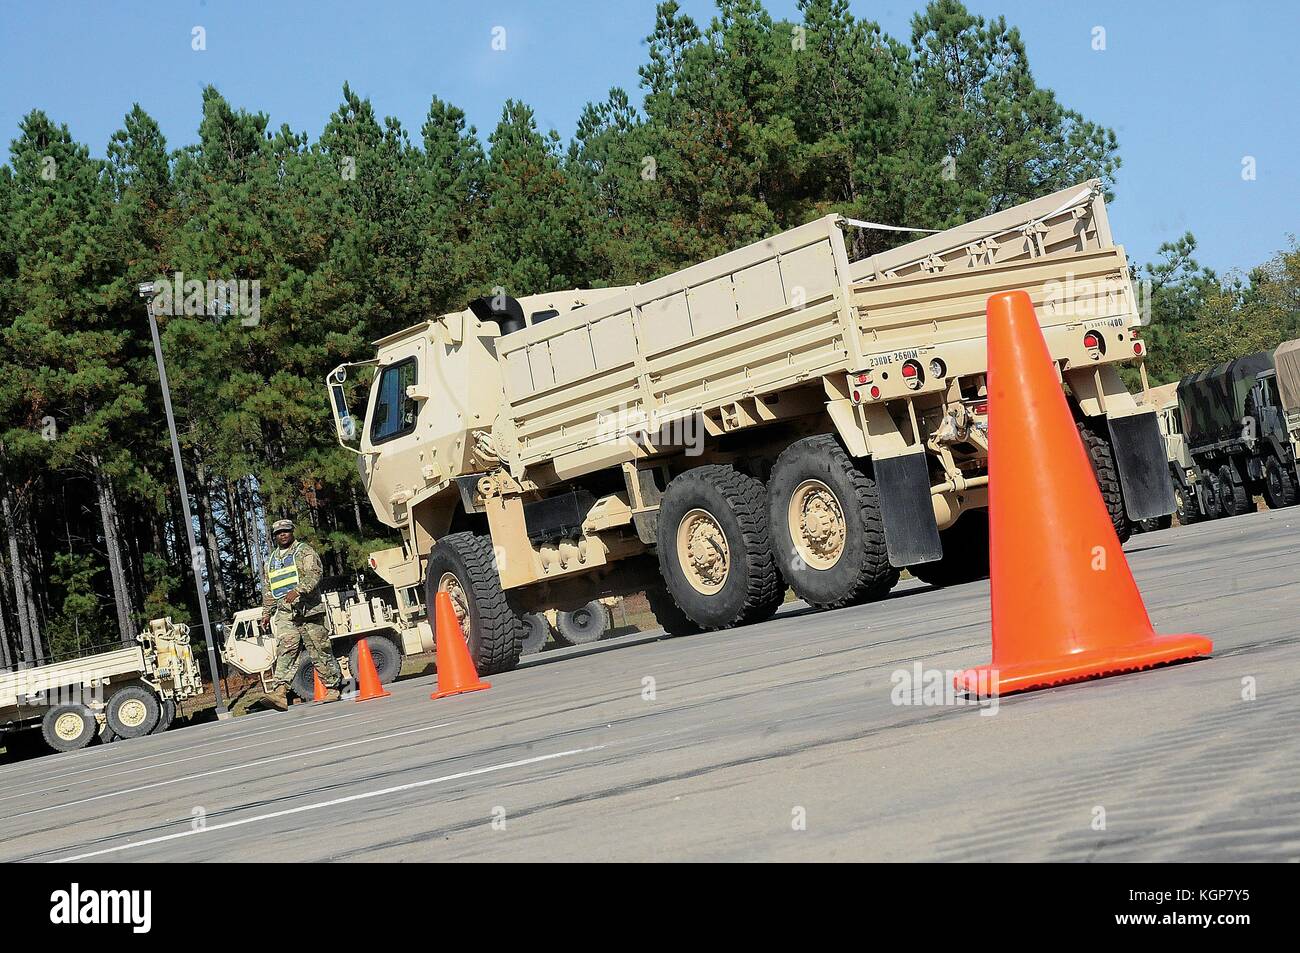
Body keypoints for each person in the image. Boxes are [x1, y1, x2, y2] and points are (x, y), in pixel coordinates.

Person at [260, 519, 341, 708]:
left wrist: (299, 590)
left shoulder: (303, 551)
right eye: (279, 532)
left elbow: (314, 574)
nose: (283, 534)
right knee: (286, 649)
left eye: (286, 531)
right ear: (275, 536)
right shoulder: (271, 561)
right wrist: (266, 613)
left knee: (319, 649)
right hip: (286, 613)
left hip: (308, 610)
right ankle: (280, 692)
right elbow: (269, 589)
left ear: (292, 532)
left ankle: (333, 688)